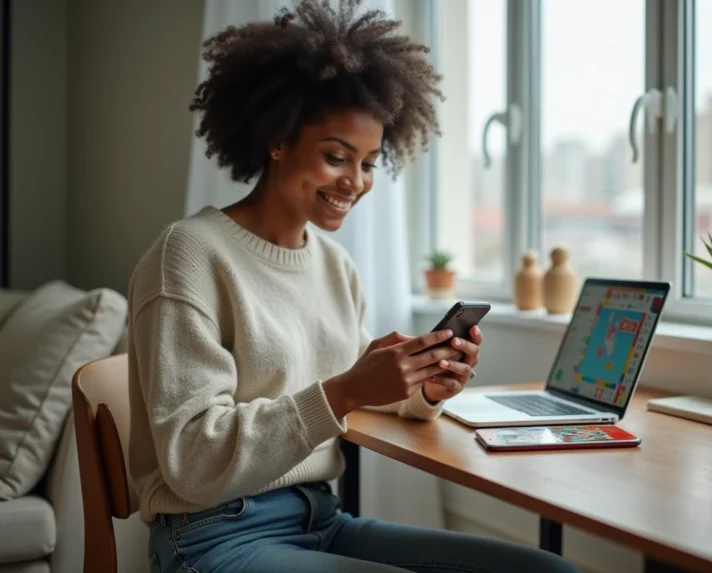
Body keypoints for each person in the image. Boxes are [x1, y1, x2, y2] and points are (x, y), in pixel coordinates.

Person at [127, 1, 581, 572]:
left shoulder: (334, 265)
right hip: (214, 535)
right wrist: (342, 392)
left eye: (368, 162)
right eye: (336, 156)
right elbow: (192, 459)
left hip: (320, 520)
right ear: (276, 138)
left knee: (550, 571)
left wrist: (424, 388)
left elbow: (358, 387)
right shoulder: (188, 256)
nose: (356, 182)